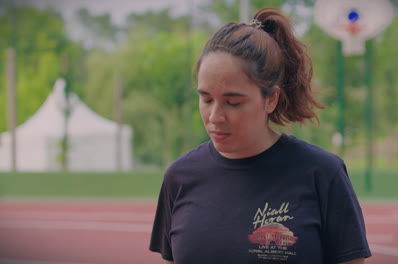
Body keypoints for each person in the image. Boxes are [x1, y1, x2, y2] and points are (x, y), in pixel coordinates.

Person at [149, 7, 371, 264]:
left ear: (271, 99)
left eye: (233, 102)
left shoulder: (322, 173)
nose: (215, 117)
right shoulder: (179, 177)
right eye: (206, 99)